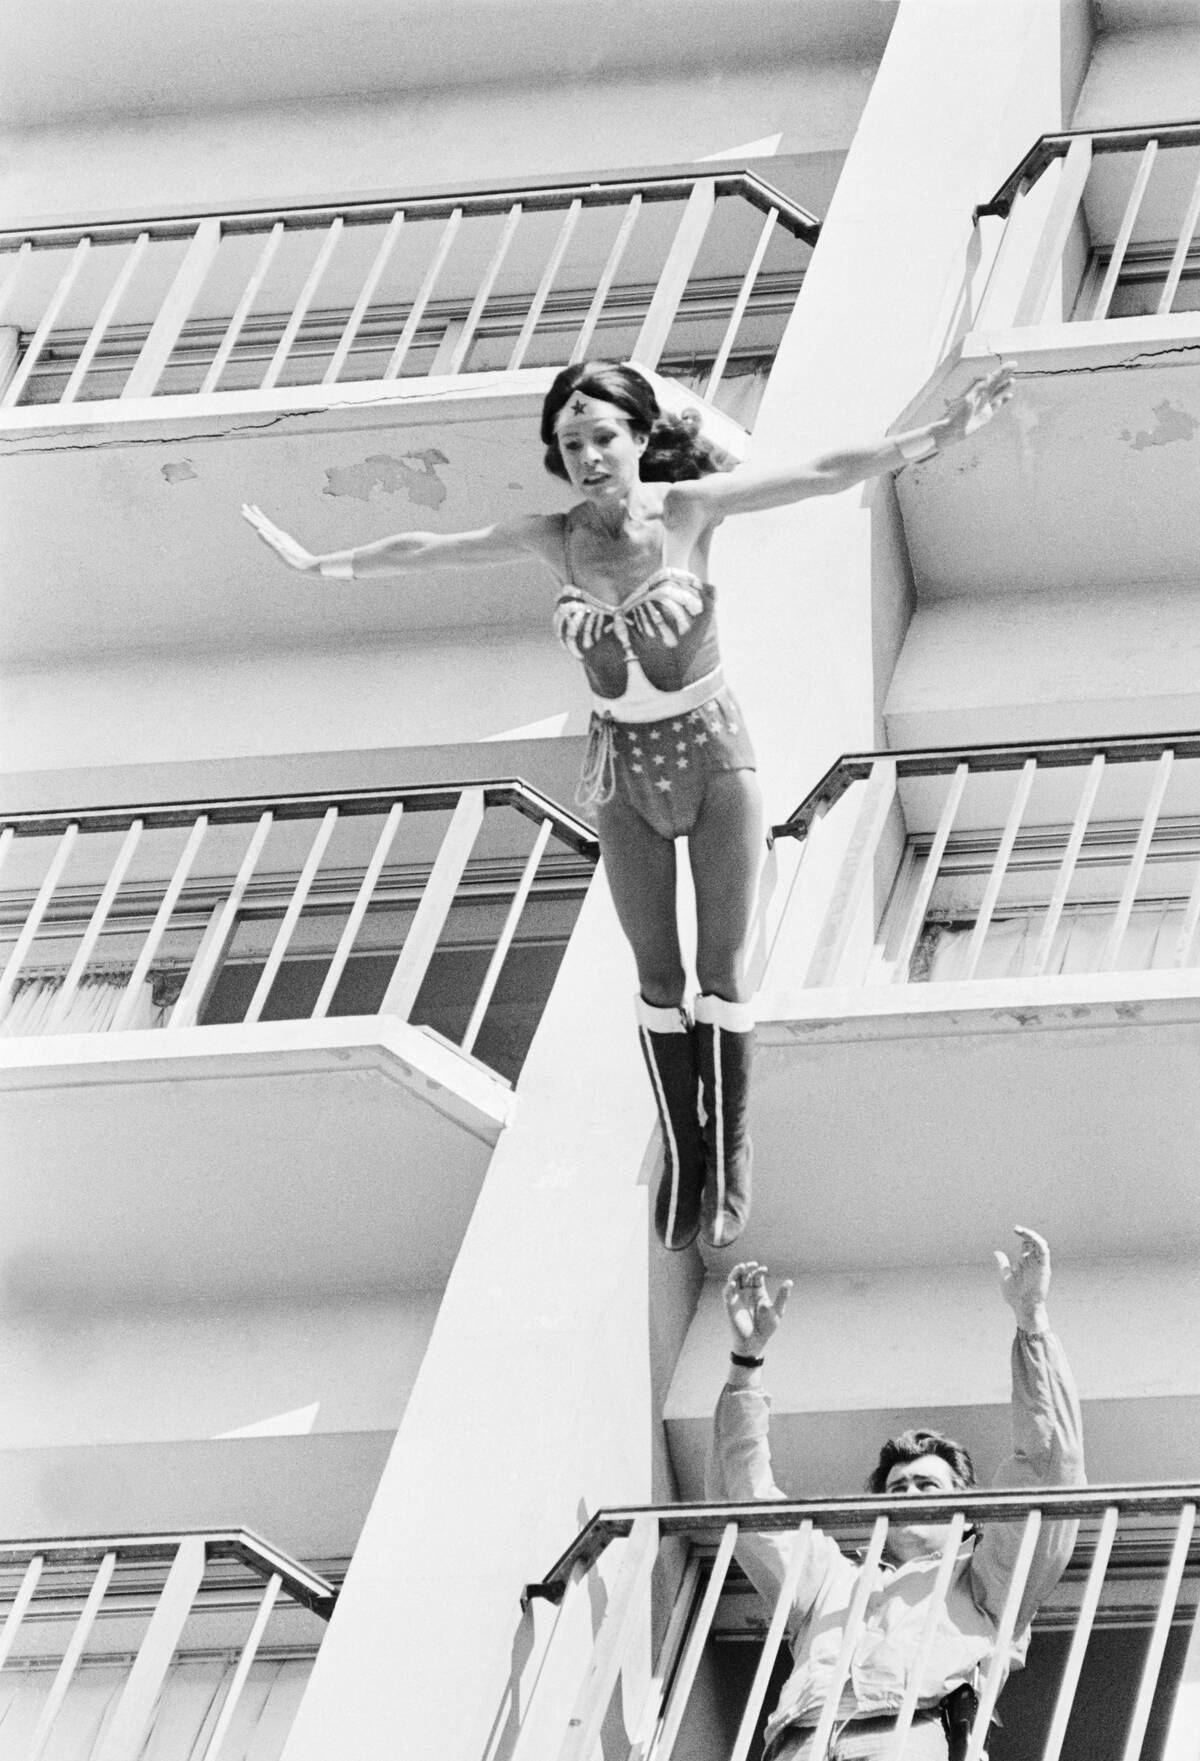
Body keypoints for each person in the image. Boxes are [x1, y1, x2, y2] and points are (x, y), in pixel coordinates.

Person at [242, 359, 1014, 1253]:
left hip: (714, 757)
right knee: (656, 978)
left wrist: (935, 438)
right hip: (624, 774)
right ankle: (683, 1157)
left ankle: (729, 1157)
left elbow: (820, 471)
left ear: (639, 438)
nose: (588, 456)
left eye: (603, 437)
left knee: (722, 973)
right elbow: (431, 547)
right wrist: (314, 563)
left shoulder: (688, 509)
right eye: (571, 443)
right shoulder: (554, 536)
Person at [710, 1227, 1084, 1760]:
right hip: (798, 1744)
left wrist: (1033, 1323)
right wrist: (745, 1368)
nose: (908, 1493)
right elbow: (741, 1501)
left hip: (910, 1738)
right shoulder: (830, 1580)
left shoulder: (986, 1580)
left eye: (926, 1484)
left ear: (963, 1506)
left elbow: (1052, 1470)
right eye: (897, 1487)